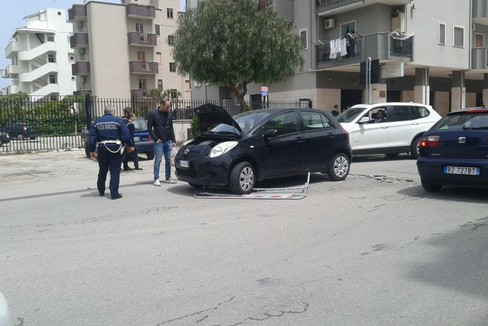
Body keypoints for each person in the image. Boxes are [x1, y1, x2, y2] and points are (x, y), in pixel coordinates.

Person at [88, 105, 135, 200]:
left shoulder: (97, 122)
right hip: (114, 148)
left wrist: (91, 150)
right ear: (113, 112)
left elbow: (92, 138)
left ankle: (101, 190)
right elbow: (126, 134)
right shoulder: (117, 121)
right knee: (114, 170)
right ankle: (114, 193)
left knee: (103, 169)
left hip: (102, 147)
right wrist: (130, 145)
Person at [147, 98, 177, 186]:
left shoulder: (169, 115)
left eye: (169, 107)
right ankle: (156, 178)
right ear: (161, 105)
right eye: (167, 107)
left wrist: (173, 140)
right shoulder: (153, 114)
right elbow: (149, 128)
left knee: (168, 160)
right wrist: (155, 138)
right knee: (158, 160)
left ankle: (168, 177)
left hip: (168, 140)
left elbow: (171, 128)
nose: (168, 109)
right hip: (159, 141)